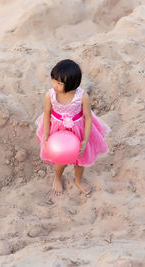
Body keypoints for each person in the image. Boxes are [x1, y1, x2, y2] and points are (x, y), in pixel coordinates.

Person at [36, 59, 110, 197]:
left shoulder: (82, 97)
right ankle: (57, 177)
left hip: (78, 131)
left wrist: (85, 140)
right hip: (58, 131)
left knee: (80, 160)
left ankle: (78, 180)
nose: (55, 85)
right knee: (60, 158)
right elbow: (47, 115)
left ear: (71, 84)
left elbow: (88, 118)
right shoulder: (50, 95)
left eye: (59, 83)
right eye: (53, 80)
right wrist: (46, 135)